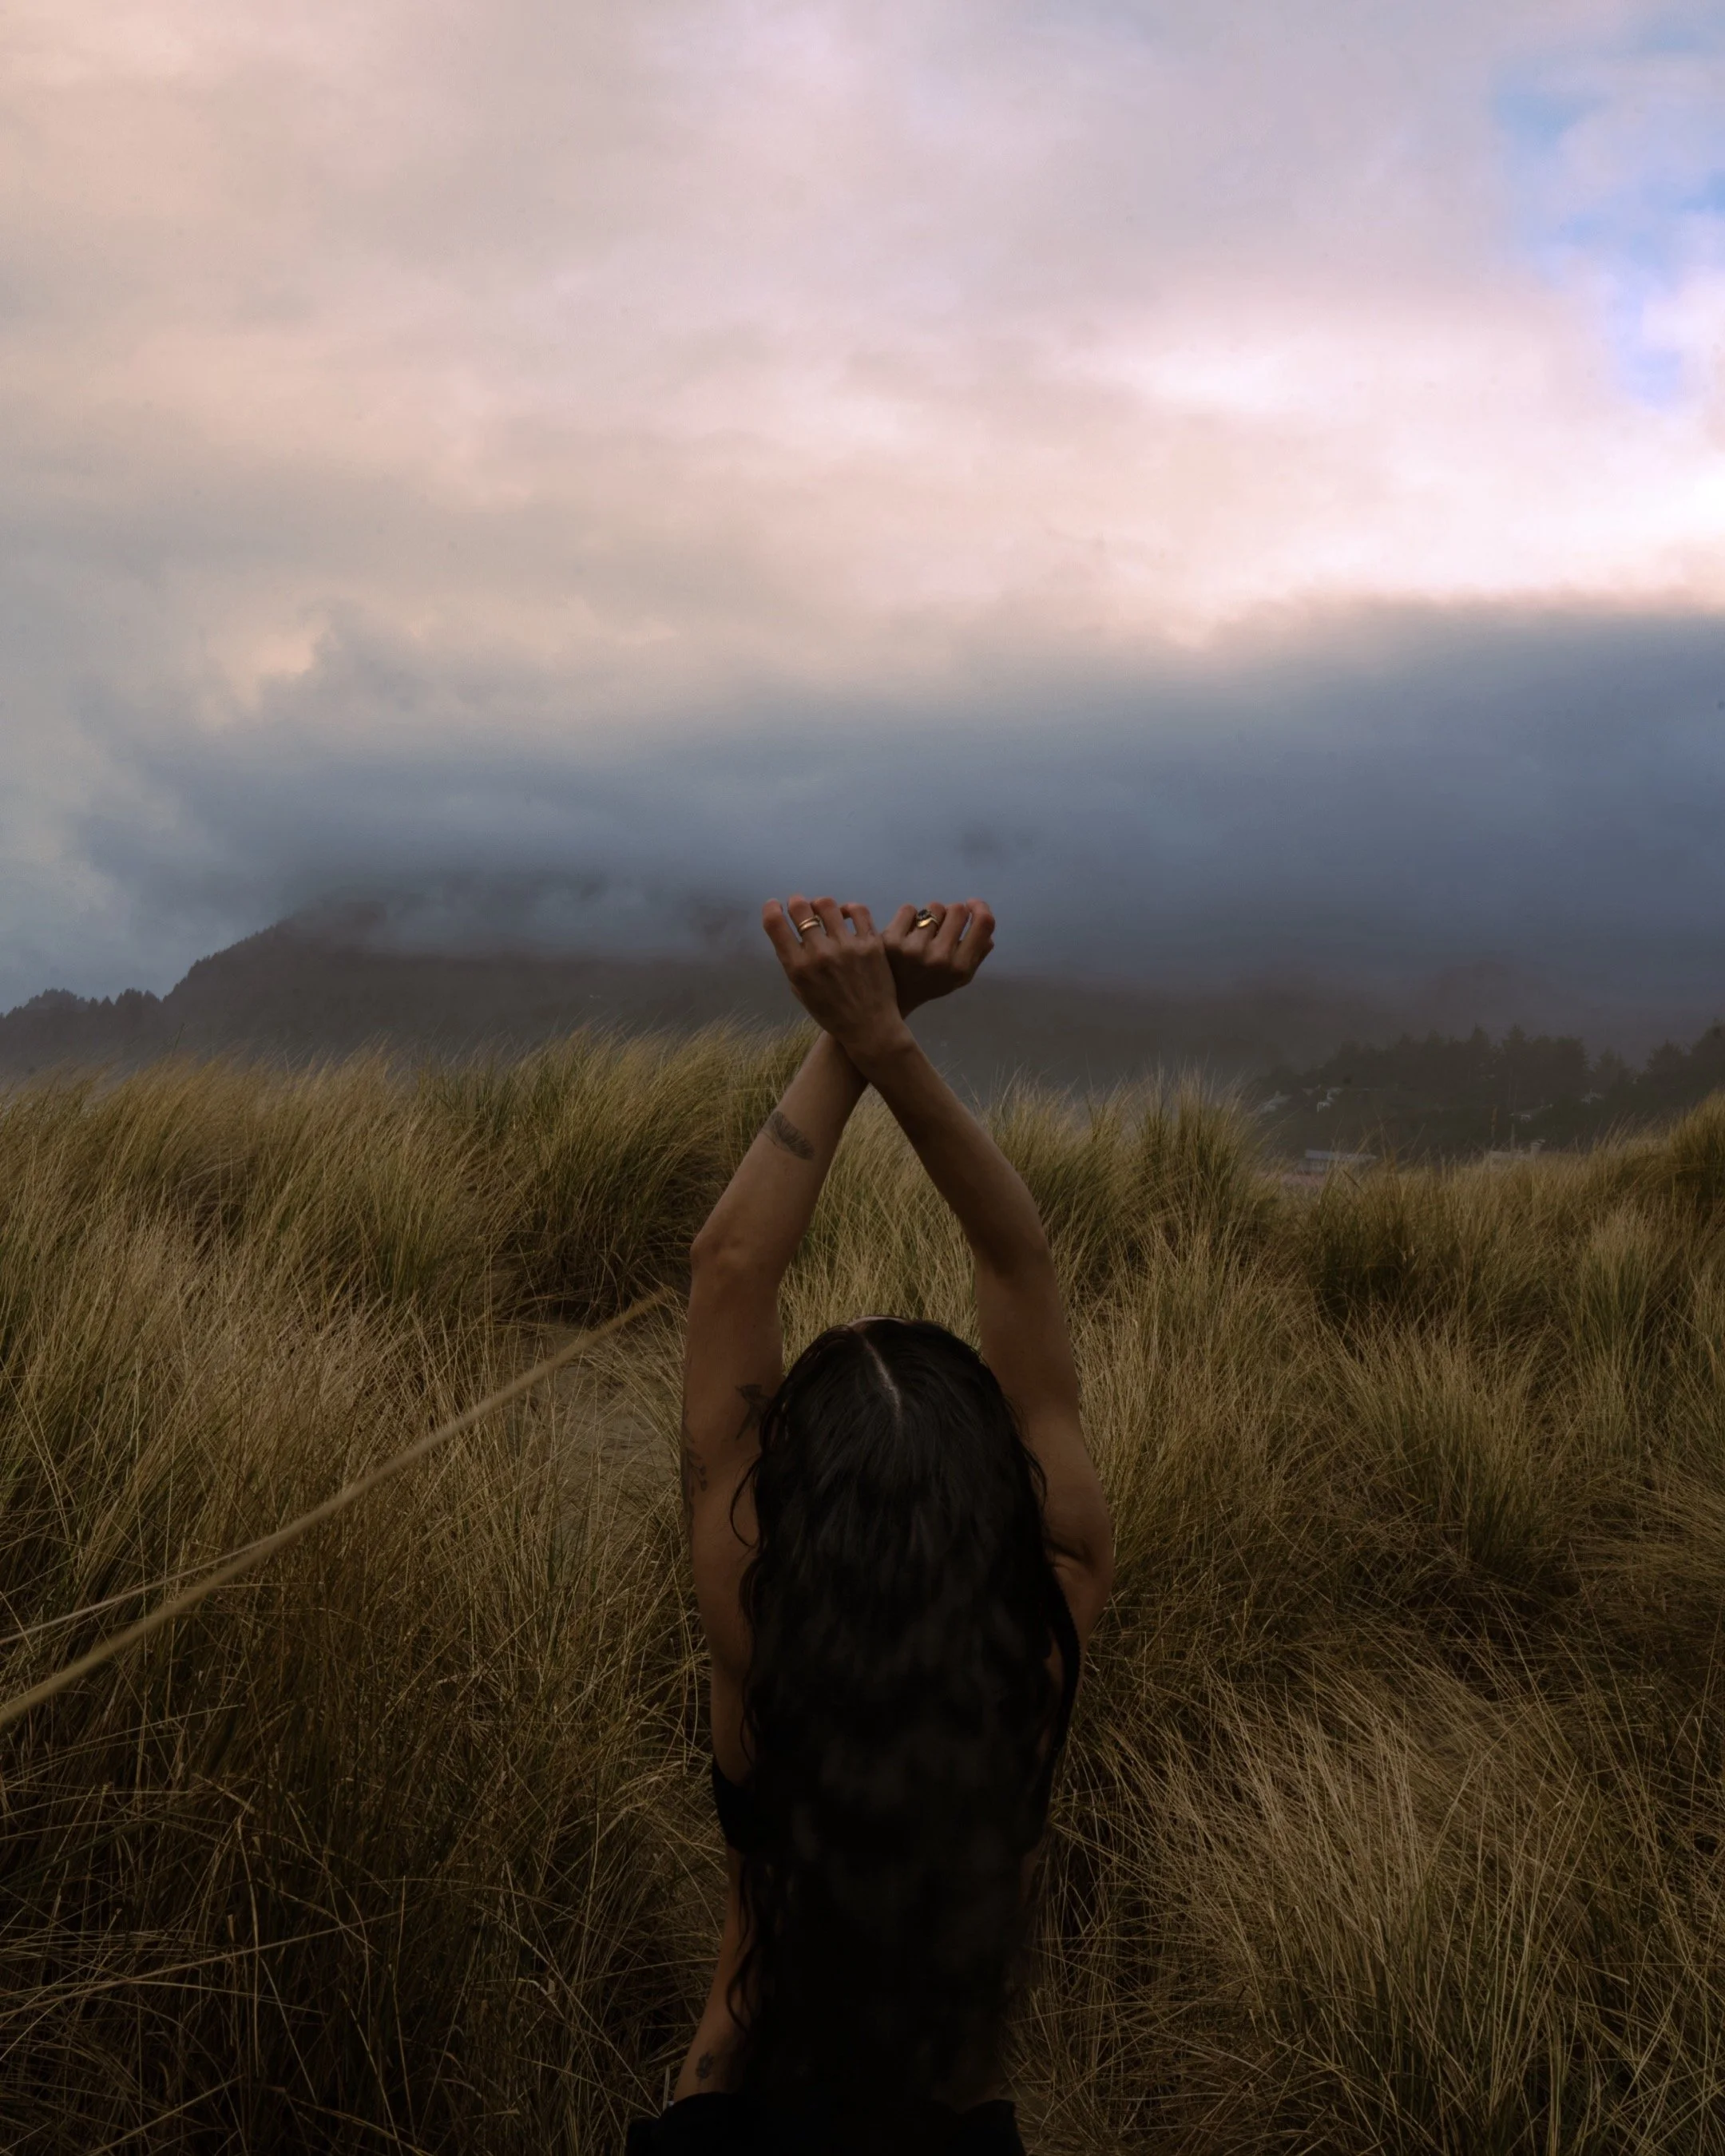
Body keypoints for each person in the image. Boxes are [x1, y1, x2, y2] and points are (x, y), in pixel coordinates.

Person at [626, 894, 1114, 2156]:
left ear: (787, 1508)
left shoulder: (759, 1624)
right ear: (999, 1492)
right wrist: (885, 1038)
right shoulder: (1050, 1620)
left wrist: (857, 1032)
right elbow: (1020, 1268)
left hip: (735, 2096)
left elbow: (729, 1267)